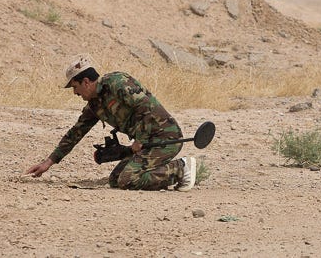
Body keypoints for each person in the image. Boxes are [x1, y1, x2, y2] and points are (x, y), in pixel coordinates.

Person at [25, 54, 197, 192]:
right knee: (116, 179)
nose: (75, 93)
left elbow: (144, 105)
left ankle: (181, 168)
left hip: (165, 137)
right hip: (146, 144)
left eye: (75, 87)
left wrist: (141, 140)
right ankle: (165, 171)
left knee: (128, 179)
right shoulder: (94, 105)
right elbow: (75, 133)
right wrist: (48, 162)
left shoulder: (116, 82)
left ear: (85, 82)